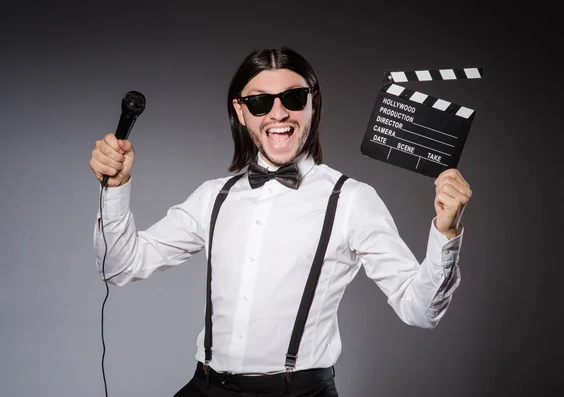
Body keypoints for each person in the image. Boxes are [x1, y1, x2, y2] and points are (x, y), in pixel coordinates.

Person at [90, 46, 471, 397]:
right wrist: (116, 189)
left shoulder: (351, 200)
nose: (278, 113)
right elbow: (119, 266)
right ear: (241, 112)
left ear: (312, 103)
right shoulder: (214, 196)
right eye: (259, 102)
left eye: (293, 97)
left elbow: (420, 310)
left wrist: (446, 231)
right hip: (206, 387)